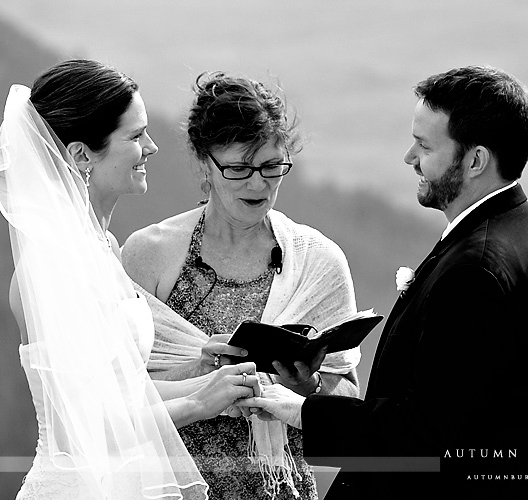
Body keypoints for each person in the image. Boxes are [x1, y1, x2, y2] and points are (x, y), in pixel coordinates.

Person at [241, 65, 528, 499]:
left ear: (475, 160)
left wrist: (304, 412)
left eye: (424, 145)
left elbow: (424, 436)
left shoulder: (476, 268)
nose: (409, 157)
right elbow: (456, 408)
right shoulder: (522, 226)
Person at [0, 59, 260, 500]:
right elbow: (81, 428)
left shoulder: (104, 250)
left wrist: (208, 378)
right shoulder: (52, 269)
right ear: (81, 155)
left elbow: (125, 394)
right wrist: (197, 403)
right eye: (135, 136)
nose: (151, 147)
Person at [121, 72, 363, 500]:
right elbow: (115, 394)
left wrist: (306, 386)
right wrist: (199, 372)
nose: (258, 184)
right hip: (170, 487)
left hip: (281, 488)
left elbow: (346, 390)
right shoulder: (148, 254)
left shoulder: (318, 261)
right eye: (238, 169)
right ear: (204, 163)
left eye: (272, 167)